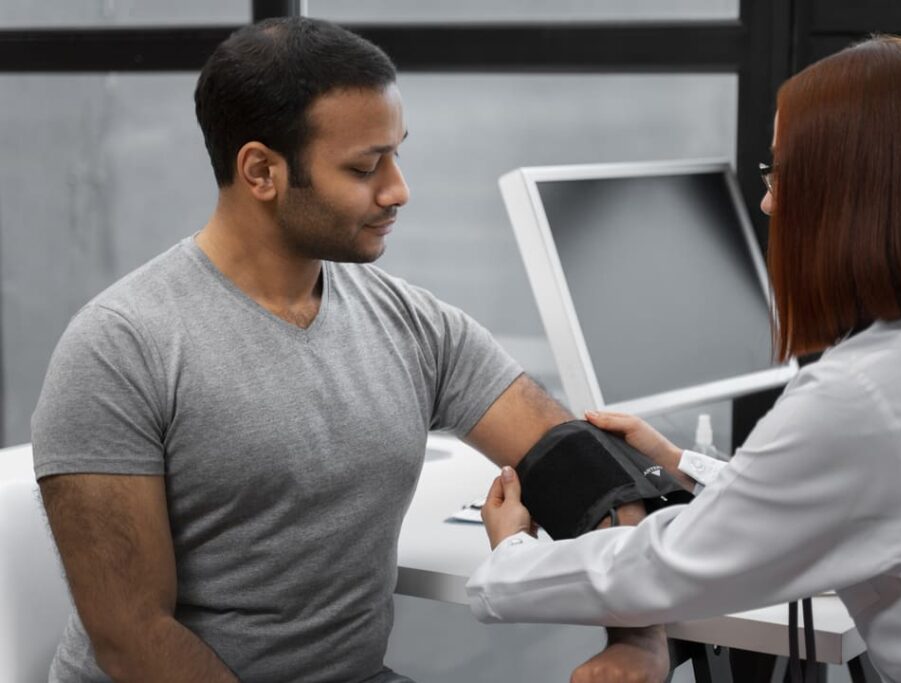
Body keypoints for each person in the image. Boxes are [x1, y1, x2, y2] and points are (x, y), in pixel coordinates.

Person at [31, 17, 667, 683]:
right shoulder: (119, 349)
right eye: (365, 167)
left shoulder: (415, 325)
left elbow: (581, 472)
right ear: (261, 171)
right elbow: (131, 636)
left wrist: (641, 638)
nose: (398, 189)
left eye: (396, 155)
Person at [469, 34, 901, 681]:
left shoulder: (864, 399)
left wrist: (509, 557)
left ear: (848, 195)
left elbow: (671, 566)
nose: (767, 201)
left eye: (781, 172)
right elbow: (872, 492)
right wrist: (684, 464)